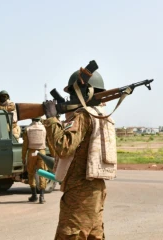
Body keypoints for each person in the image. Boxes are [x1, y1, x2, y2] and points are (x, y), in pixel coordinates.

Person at [43, 69, 117, 240]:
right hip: (96, 190)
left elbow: (63, 148)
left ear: (83, 92)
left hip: (79, 192)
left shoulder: (84, 116)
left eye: (72, 94)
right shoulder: (102, 116)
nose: (70, 99)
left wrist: (52, 119)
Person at [21, 117, 48, 204]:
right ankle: (42, 196)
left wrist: (23, 157)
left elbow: (25, 145)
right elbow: (49, 141)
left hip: (31, 152)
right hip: (42, 152)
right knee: (42, 173)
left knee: (31, 173)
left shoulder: (28, 129)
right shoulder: (44, 128)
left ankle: (34, 195)